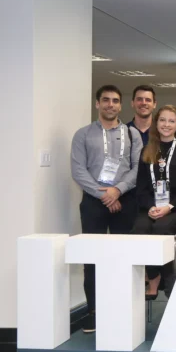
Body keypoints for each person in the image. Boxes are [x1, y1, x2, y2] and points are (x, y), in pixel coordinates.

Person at [70, 85, 143, 333]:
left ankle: (123, 310)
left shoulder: (132, 134)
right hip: (94, 201)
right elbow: (78, 170)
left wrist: (117, 191)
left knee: (125, 257)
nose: (110, 104)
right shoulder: (83, 135)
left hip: (125, 200)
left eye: (115, 100)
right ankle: (94, 312)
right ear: (97, 104)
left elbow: (137, 168)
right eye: (105, 100)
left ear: (121, 105)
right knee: (92, 258)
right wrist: (104, 194)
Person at [131, 105, 176, 299]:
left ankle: (170, 283)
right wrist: (151, 207)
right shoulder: (147, 150)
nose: (166, 125)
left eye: (171, 121)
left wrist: (169, 207)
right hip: (152, 208)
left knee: (161, 229)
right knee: (139, 229)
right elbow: (141, 188)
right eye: (162, 120)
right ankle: (154, 276)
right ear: (156, 123)